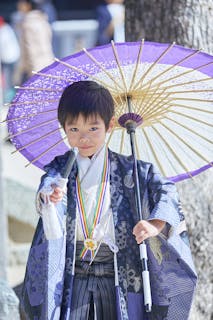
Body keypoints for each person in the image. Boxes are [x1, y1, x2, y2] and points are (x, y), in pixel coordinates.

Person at [21, 80, 197, 319]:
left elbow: (165, 190)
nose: (84, 138)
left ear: (110, 125)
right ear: (63, 128)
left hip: (119, 272)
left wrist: (154, 225)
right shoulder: (60, 168)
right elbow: (48, 185)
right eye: (74, 130)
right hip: (74, 272)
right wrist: (51, 197)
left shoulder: (131, 169)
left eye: (93, 128)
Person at [13, 0, 54, 85]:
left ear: (28, 5)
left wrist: (20, 73)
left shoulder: (28, 24)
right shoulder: (43, 21)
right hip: (48, 65)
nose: (18, 5)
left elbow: (30, 51)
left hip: (32, 69)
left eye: (21, 2)